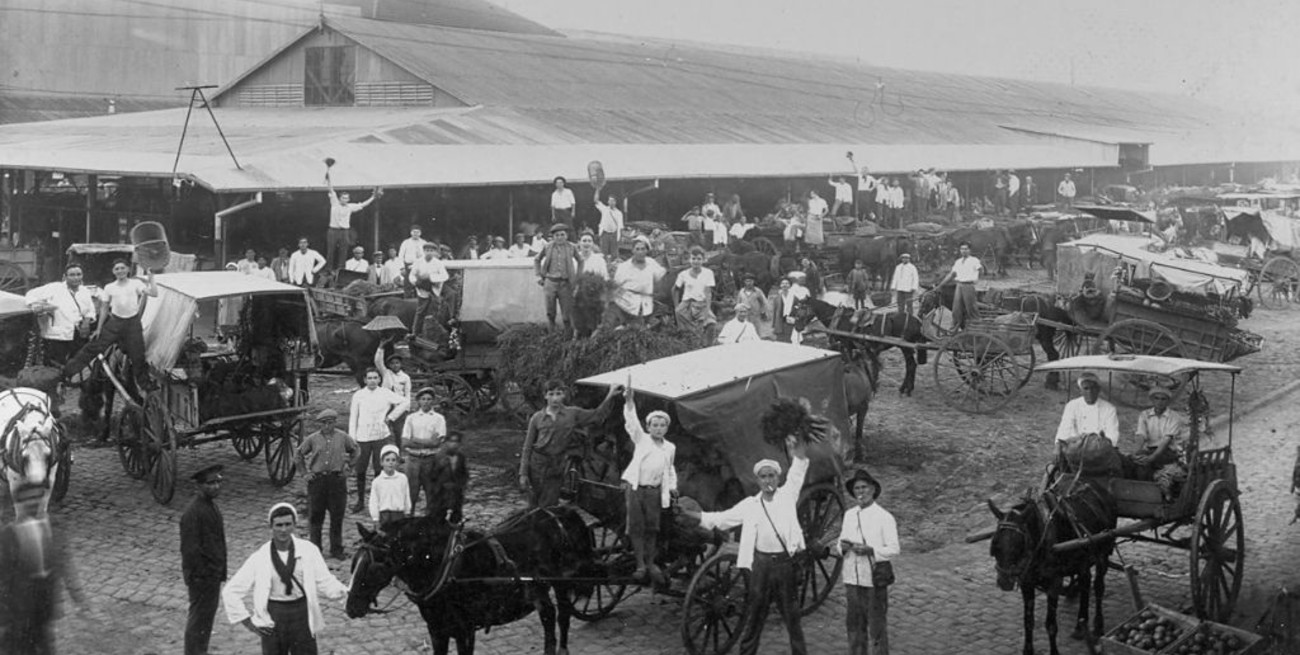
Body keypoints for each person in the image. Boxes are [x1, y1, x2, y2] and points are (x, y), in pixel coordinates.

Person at [682, 437, 810, 655]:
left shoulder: (788, 495)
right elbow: (720, 519)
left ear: (778, 478)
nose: (768, 480)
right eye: (763, 476)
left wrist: (797, 447)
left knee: (792, 616)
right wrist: (693, 515)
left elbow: (799, 467)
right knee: (755, 615)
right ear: (758, 480)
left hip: (784, 566)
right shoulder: (750, 505)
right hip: (760, 566)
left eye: (771, 475)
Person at [222, 503, 349, 655]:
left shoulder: (308, 550)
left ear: (294, 525)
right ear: (271, 527)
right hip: (274, 615)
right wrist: (249, 623)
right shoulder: (260, 557)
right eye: (279, 525)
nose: (283, 530)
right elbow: (231, 591)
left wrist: (347, 593)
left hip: (301, 613)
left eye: (288, 524)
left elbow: (325, 581)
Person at [519, 380, 622, 508]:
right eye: (551, 394)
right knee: (533, 505)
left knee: (548, 505)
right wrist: (523, 474)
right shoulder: (537, 418)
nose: (555, 398)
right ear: (545, 396)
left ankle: (548, 525)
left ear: (564, 395)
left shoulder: (572, 414)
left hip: (556, 467)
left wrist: (610, 395)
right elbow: (527, 447)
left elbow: (596, 416)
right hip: (536, 467)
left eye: (558, 393)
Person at [62, 259, 157, 389]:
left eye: (122, 268)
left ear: (128, 270)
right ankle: (65, 373)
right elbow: (104, 309)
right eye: (117, 269)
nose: (120, 271)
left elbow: (154, 293)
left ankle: (144, 384)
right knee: (92, 347)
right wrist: (99, 329)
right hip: (115, 322)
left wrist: (151, 277)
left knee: (138, 354)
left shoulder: (136, 283)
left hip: (132, 323)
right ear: (113, 272)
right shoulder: (109, 287)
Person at [620, 385, 678, 583]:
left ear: (666, 428)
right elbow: (632, 422)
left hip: (654, 493)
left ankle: (651, 562)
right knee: (637, 527)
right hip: (636, 490)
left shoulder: (670, 448)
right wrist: (629, 402)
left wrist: (672, 487)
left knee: (652, 528)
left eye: (662, 425)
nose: (658, 428)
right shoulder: (642, 439)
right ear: (648, 427)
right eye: (655, 425)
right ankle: (640, 564)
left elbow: (670, 469)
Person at [837, 468, 899, 655]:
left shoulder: (884, 517)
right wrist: (843, 548)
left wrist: (871, 550)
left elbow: (894, 549)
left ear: (872, 490)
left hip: (873, 579)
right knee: (854, 626)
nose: (860, 492)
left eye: (864, 488)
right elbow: (839, 545)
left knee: (876, 627)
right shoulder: (849, 515)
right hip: (852, 579)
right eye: (857, 489)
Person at [296, 408, 356, 559]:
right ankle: (315, 550)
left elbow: (355, 450)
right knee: (316, 517)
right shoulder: (313, 439)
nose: (327, 426)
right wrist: (305, 474)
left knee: (337, 517)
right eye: (324, 423)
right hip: (318, 482)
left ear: (335, 423)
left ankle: (336, 549)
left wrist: (349, 468)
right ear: (319, 424)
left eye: (330, 423)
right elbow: (298, 455)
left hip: (337, 481)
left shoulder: (343, 437)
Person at [180, 464, 227, 655]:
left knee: (205, 620)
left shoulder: (209, 506)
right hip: (203, 578)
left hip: (211, 575)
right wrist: (202, 576)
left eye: (218, 481)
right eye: (210, 483)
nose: (215, 486)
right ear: (199, 486)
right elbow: (190, 550)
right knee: (199, 620)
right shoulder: (193, 513)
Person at [349, 369, 409, 514]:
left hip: (380, 436)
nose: (372, 381)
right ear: (364, 380)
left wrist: (390, 417)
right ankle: (361, 501)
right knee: (361, 469)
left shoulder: (385, 393)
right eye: (369, 378)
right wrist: (352, 439)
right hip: (362, 437)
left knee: (378, 469)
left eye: (375, 378)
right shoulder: (359, 395)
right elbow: (353, 417)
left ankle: (377, 501)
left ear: (379, 380)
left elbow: (404, 402)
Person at [26, 263, 96, 368]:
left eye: (78, 274)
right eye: (72, 275)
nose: (76, 278)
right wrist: (39, 306)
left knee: (76, 362)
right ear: (65, 277)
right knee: (55, 363)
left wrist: (86, 323)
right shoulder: (55, 288)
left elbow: (90, 310)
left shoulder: (84, 291)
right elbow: (31, 294)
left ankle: (71, 383)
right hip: (57, 333)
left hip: (77, 333)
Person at [1129, 387, 1189, 500]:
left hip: (1168, 452)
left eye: (1163, 399)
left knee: (1146, 463)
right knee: (1132, 461)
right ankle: (1138, 493)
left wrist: (1152, 457)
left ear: (1168, 401)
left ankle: (1156, 495)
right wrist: (1136, 453)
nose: (1160, 402)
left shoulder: (1174, 417)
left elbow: (1166, 441)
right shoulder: (1145, 415)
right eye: (1157, 398)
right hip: (1150, 450)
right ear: (1152, 400)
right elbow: (1141, 435)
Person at [1054, 372, 1120, 460]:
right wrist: (1058, 445)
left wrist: (1099, 446)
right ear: (1080, 391)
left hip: (1100, 450)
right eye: (1086, 388)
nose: (1090, 392)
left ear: (1098, 389)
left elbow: (1113, 435)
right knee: (1053, 468)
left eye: (1093, 388)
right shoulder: (1072, 405)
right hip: (1075, 449)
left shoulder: (1109, 408)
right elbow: (1064, 428)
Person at [401, 387, 445, 515]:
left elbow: (437, 442)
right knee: (411, 493)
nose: (426, 402)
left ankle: (429, 524)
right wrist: (428, 442)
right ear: (418, 401)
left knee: (431, 492)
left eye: (429, 399)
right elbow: (405, 442)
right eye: (423, 399)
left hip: (431, 460)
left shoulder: (439, 419)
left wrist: (415, 440)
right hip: (413, 460)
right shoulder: (411, 418)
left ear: (433, 401)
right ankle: (410, 522)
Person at [607, 237, 665, 329]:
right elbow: (616, 286)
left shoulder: (651, 263)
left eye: (643, 249)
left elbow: (661, 277)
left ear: (646, 251)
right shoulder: (624, 267)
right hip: (627, 302)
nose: (640, 252)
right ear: (632, 251)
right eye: (637, 249)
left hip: (647, 301)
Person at [534, 223, 580, 334]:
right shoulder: (547, 247)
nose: (560, 237)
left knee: (566, 314)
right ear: (553, 237)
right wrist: (538, 275)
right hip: (550, 283)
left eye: (562, 235)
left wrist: (578, 276)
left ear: (567, 235)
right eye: (557, 235)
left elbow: (581, 260)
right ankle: (552, 336)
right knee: (550, 313)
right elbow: (537, 260)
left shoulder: (572, 247)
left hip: (565, 284)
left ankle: (568, 337)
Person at [325, 180, 379, 269]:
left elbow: (362, 205)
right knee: (331, 251)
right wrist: (328, 181)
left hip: (344, 231)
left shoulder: (350, 207)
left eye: (346, 198)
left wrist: (373, 197)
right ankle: (328, 269)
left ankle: (341, 270)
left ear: (348, 199)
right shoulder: (334, 203)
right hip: (333, 230)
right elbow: (331, 190)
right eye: (343, 198)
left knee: (343, 251)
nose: (345, 200)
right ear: (339, 198)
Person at [933, 242, 981, 330]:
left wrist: (974, 279)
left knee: (971, 308)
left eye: (966, 249)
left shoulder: (974, 260)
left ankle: (976, 327)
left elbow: (980, 270)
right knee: (956, 309)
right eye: (962, 249)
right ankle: (954, 328)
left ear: (970, 250)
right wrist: (940, 285)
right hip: (959, 285)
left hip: (968, 285)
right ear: (960, 250)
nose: (964, 251)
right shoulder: (958, 262)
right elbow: (951, 274)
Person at [673, 247, 717, 338]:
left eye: (699, 259)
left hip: (702, 304)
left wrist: (707, 310)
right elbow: (675, 289)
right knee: (682, 320)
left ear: (703, 260)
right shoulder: (683, 274)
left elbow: (708, 293)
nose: (696, 261)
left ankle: (707, 345)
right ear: (689, 260)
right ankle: (693, 337)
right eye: (693, 258)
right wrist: (676, 305)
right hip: (687, 304)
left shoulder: (708, 273)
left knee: (711, 324)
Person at [409, 242, 449, 339]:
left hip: (434, 289)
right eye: (427, 251)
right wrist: (416, 282)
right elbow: (412, 275)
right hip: (423, 290)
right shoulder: (418, 262)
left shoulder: (438, 263)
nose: (429, 253)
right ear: (423, 251)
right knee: (420, 311)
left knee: (435, 311)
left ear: (435, 252)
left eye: (431, 251)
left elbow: (445, 276)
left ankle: (434, 334)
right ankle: (415, 332)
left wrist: (431, 277)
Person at [428, 430, 469, 524]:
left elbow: (464, 473)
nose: (453, 444)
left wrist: (461, 485)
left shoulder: (461, 457)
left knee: (456, 516)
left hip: (456, 492)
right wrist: (440, 466)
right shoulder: (438, 457)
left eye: (456, 442)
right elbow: (431, 476)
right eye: (451, 441)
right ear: (446, 443)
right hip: (441, 494)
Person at [369, 444, 411, 530]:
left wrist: (407, 511)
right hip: (384, 515)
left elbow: (406, 496)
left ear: (397, 462)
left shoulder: (402, 478)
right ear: (381, 462)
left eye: (393, 460)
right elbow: (374, 501)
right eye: (387, 460)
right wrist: (375, 518)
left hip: (399, 514)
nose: (390, 463)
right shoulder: (377, 481)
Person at [375, 343, 412, 439]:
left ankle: (399, 450)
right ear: (389, 365)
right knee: (383, 431)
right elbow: (378, 361)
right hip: (386, 405)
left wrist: (406, 409)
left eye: (397, 363)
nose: (395, 365)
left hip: (399, 407)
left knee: (399, 432)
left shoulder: (405, 377)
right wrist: (381, 348)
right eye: (392, 363)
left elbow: (407, 394)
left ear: (401, 364)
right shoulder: (386, 373)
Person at [595, 193, 624, 258]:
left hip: (614, 234)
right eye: (610, 200)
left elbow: (621, 226)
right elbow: (596, 200)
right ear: (608, 202)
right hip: (605, 234)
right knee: (603, 253)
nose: (611, 202)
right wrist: (597, 189)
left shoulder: (619, 213)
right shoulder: (604, 209)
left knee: (614, 254)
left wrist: (620, 237)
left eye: (613, 200)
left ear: (615, 202)